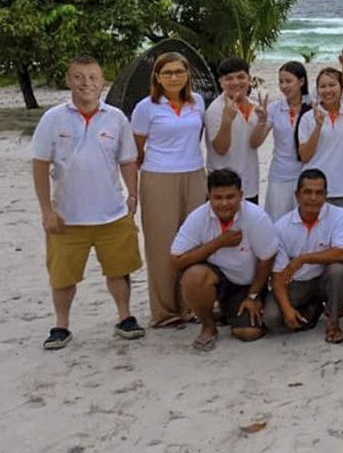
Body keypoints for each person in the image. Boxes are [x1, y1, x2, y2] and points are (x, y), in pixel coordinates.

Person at [32, 55, 145, 349]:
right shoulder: (53, 118)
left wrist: (133, 195)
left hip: (112, 212)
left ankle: (125, 317)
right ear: (69, 81)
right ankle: (61, 325)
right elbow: (40, 164)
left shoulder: (116, 118)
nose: (87, 84)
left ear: (102, 81)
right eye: (79, 77)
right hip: (67, 216)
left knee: (119, 269)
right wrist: (46, 210)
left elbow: (128, 160)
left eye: (93, 77)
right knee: (62, 276)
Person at [131, 51, 208, 327]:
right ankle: (165, 312)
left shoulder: (198, 102)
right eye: (167, 73)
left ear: (187, 75)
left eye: (179, 72)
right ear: (157, 77)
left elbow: (196, 137)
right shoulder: (146, 108)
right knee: (161, 243)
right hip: (158, 176)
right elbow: (137, 149)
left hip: (194, 173)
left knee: (193, 241)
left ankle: (191, 305)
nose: (174, 77)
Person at [170, 169, 278, 350]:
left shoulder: (256, 218)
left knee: (248, 333)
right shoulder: (198, 217)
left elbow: (267, 259)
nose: (224, 203)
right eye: (218, 198)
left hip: (248, 283)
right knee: (194, 276)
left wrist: (253, 295)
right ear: (208, 196)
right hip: (217, 278)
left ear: (241, 195)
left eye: (230, 197)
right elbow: (176, 260)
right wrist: (217, 243)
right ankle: (208, 326)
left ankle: (229, 310)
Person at [264, 169, 343, 344]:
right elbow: (278, 276)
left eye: (319, 193)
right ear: (297, 195)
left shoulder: (338, 215)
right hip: (297, 283)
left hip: (324, 280)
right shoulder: (281, 227)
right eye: (307, 192)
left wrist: (303, 259)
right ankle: (313, 310)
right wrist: (287, 310)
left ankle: (333, 322)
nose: (313, 198)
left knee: (339, 270)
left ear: (326, 195)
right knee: (271, 319)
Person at [204, 57, 269, 205]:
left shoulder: (255, 106)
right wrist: (227, 121)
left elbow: (254, 144)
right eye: (229, 78)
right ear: (221, 82)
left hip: (249, 183)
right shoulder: (215, 109)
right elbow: (220, 149)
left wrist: (262, 121)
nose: (235, 82)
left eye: (241, 77)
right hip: (223, 187)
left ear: (249, 79)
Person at [297, 68, 343, 223]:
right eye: (323, 86)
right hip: (315, 189)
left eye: (332, 85)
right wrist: (318, 126)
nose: (328, 90)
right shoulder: (307, 118)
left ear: (341, 87)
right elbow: (304, 156)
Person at [263, 62, 310, 220]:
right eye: (281, 81)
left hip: (305, 174)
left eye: (288, 81)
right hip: (279, 174)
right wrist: (262, 121)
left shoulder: (312, 107)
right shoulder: (274, 108)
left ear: (301, 81)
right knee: (278, 221)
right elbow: (256, 141)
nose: (284, 86)